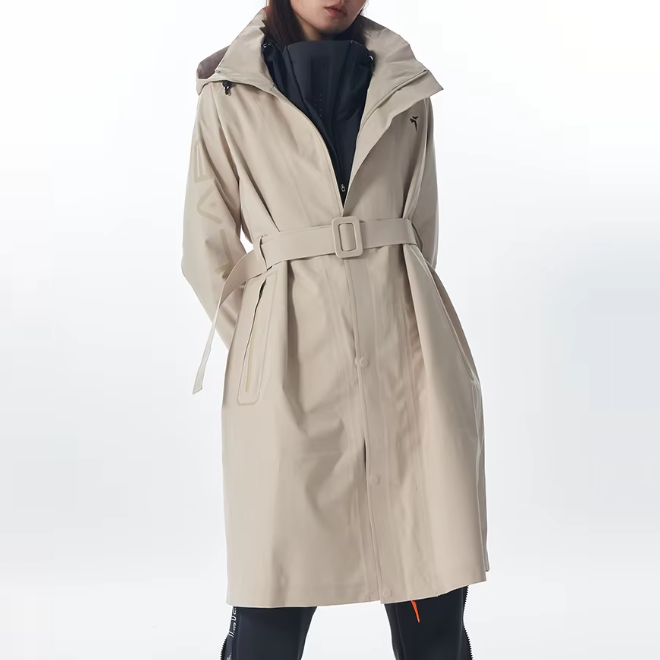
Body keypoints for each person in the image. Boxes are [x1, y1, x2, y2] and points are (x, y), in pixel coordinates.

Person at [181, 1, 489, 658]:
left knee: (430, 596)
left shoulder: (405, 86)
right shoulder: (228, 96)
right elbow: (205, 253)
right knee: (272, 605)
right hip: (289, 374)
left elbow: (419, 236)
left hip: (410, 367)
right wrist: (268, 345)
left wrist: (402, 326)